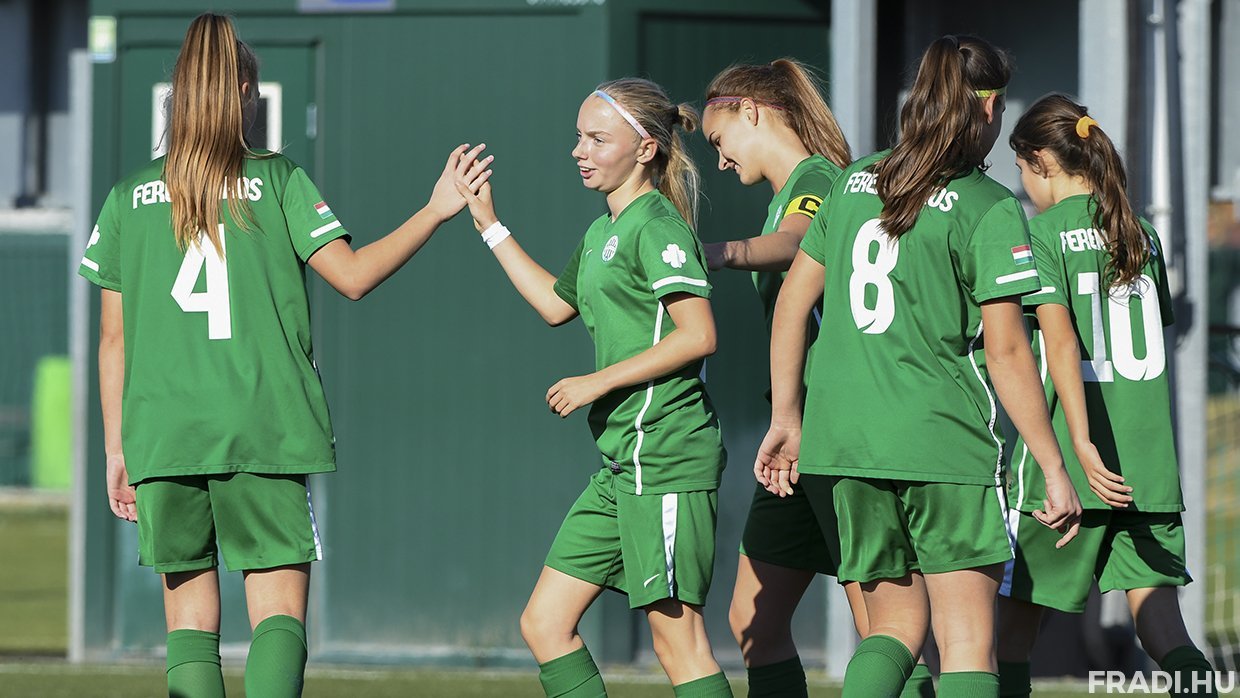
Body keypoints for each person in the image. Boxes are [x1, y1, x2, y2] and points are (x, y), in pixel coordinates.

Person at [79, 13, 489, 698]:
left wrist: (115, 450)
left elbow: (112, 340)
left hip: (164, 433)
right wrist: (434, 210)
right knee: (277, 616)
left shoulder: (128, 198)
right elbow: (352, 277)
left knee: (189, 627)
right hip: (264, 423)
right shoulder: (279, 180)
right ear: (244, 91)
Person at [754, 35, 1082, 698]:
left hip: (845, 443)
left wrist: (786, 417)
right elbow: (1008, 351)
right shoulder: (989, 205)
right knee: (966, 642)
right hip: (941, 442)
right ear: (988, 109)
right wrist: (1053, 465)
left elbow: (791, 303)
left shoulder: (852, 183)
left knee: (892, 629)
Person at [453, 78, 732, 697]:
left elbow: (698, 335)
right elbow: (555, 305)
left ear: (645, 149)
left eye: (598, 139)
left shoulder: (657, 226)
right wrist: (488, 223)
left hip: (665, 455)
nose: (579, 150)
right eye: (579, 136)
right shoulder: (603, 230)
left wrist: (594, 383)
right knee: (545, 624)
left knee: (679, 644)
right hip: (621, 464)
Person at [699, 58, 925, 698]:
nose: (719, 161)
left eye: (719, 140)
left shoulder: (820, 180)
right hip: (796, 434)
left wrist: (719, 253)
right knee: (754, 619)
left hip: (836, 431)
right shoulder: (788, 192)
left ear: (751, 112)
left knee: (883, 624)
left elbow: (798, 240)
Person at [997, 94, 1217, 697]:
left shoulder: (1042, 234)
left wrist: (1080, 443)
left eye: (1020, 170)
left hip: (1070, 469)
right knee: (1164, 629)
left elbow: (1062, 343)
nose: (1023, 186)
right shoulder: (1142, 234)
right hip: (1146, 469)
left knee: (1007, 636)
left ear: (1041, 161)